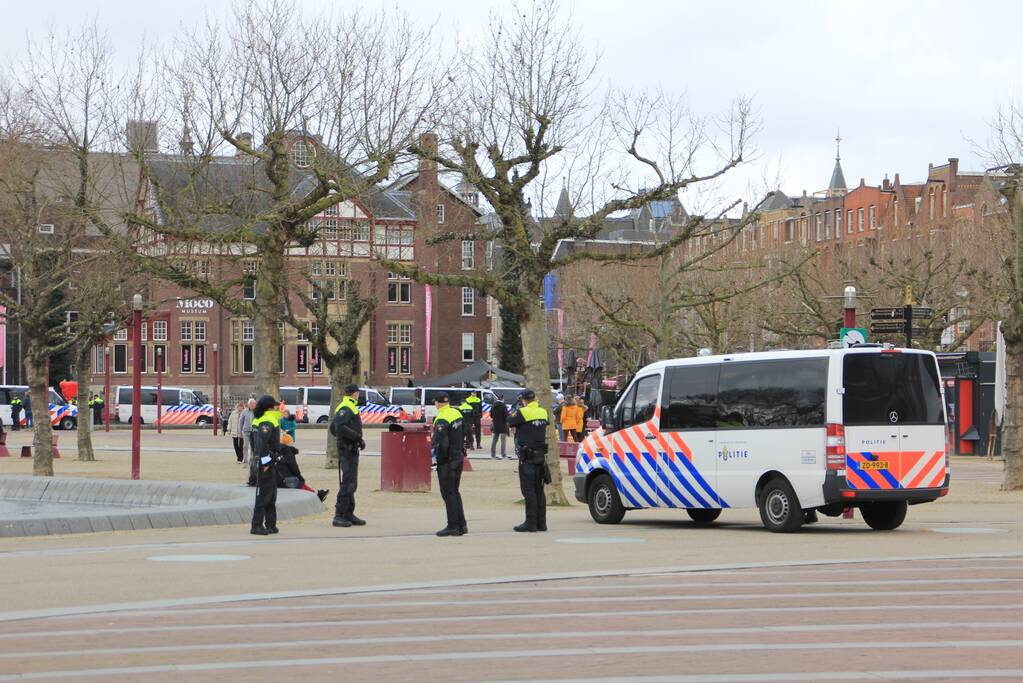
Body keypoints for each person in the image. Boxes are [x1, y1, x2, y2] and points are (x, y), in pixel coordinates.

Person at [507, 388, 550, 532]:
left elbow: (509, 421)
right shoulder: (543, 412)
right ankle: (541, 523)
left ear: (523, 400)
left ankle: (530, 522)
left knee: (528, 490)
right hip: (540, 456)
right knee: (539, 490)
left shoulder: (523, 412)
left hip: (527, 457)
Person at [431, 392, 467, 536]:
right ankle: (461, 524)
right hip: (458, 456)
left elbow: (441, 442)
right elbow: (465, 431)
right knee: (455, 492)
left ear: (438, 403)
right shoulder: (456, 413)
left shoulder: (442, 418)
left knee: (448, 493)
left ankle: (452, 526)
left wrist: (438, 460)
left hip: (447, 461)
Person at [331, 383, 366, 528]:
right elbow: (338, 427)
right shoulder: (346, 407)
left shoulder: (349, 406)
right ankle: (339, 515)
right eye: (358, 393)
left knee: (352, 482)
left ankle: (349, 513)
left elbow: (334, 427)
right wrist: (356, 437)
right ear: (355, 393)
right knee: (347, 482)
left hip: (351, 448)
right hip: (347, 449)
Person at [250, 394, 282, 536]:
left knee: (271, 493)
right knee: (264, 494)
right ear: (270, 407)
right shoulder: (267, 420)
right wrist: (266, 461)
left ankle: (270, 524)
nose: (278, 407)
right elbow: (262, 443)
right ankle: (257, 525)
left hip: (266, 459)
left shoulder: (260, 419)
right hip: (266, 461)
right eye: (275, 405)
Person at [275, 433, 329, 501]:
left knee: (298, 482)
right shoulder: (288, 452)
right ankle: (316, 496)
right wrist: (300, 478)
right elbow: (294, 468)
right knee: (299, 482)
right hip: (284, 480)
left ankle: (316, 494)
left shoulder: (276, 451)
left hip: (276, 478)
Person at [242, 398, 256, 484]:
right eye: (251, 404)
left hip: (254, 431)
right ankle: (245, 461)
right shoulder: (244, 412)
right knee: (245, 446)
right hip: (246, 431)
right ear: (248, 404)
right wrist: (240, 431)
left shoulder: (257, 412)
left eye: (254, 404)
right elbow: (241, 421)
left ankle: (252, 461)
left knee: (253, 447)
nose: (253, 405)